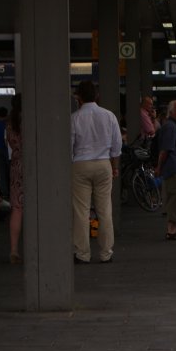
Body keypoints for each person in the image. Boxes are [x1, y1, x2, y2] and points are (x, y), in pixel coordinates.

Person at [71, 80, 123, 264]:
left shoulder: (74, 118)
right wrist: (114, 166)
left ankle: (82, 253)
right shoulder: (109, 116)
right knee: (104, 209)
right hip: (103, 164)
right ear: (97, 96)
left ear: (78, 97)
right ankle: (106, 252)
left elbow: (69, 147)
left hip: (80, 165)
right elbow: (117, 146)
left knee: (81, 211)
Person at [155, 100, 176, 241]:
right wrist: (159, 167)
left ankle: (174, 230)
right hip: (174, 169)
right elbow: (165, 151)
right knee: (175, 199)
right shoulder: (170, 127)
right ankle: (171, 231)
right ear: (171, 112)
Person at [7, 95, 24, 264]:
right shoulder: (33, 119)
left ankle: (14, 250)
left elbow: (10, 144)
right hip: (34, 165)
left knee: (17, 209)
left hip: (17, 165)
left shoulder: (11, 123)